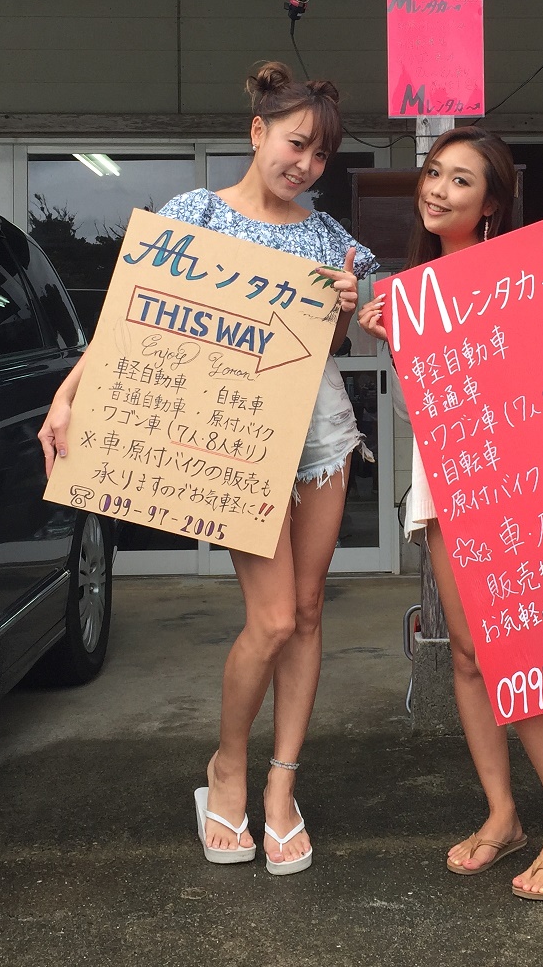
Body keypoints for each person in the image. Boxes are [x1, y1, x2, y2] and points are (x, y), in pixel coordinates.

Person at [39, 61, 375, 876]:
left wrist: (348, 304)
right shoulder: (194, 214)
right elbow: (130, 318)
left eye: (321, 155)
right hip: (233, 442)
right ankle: (228, 766)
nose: (306, 165)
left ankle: (281, 786)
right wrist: (69, 394)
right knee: (273, 620)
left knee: (308, 612)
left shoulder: (329, 237)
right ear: (258, 132)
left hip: (321, 438)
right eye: (296, 144)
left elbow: (353, 330)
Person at [358, 126, 543, 902]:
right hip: (443, 478)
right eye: (434, 173)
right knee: (468, 654)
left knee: (512, 649)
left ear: (493, 205)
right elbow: (423, 412)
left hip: (509, 482)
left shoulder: (520, 273)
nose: (438, 190)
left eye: (461, 180)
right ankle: (503, 814)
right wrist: (395, 347)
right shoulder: (415, 289)